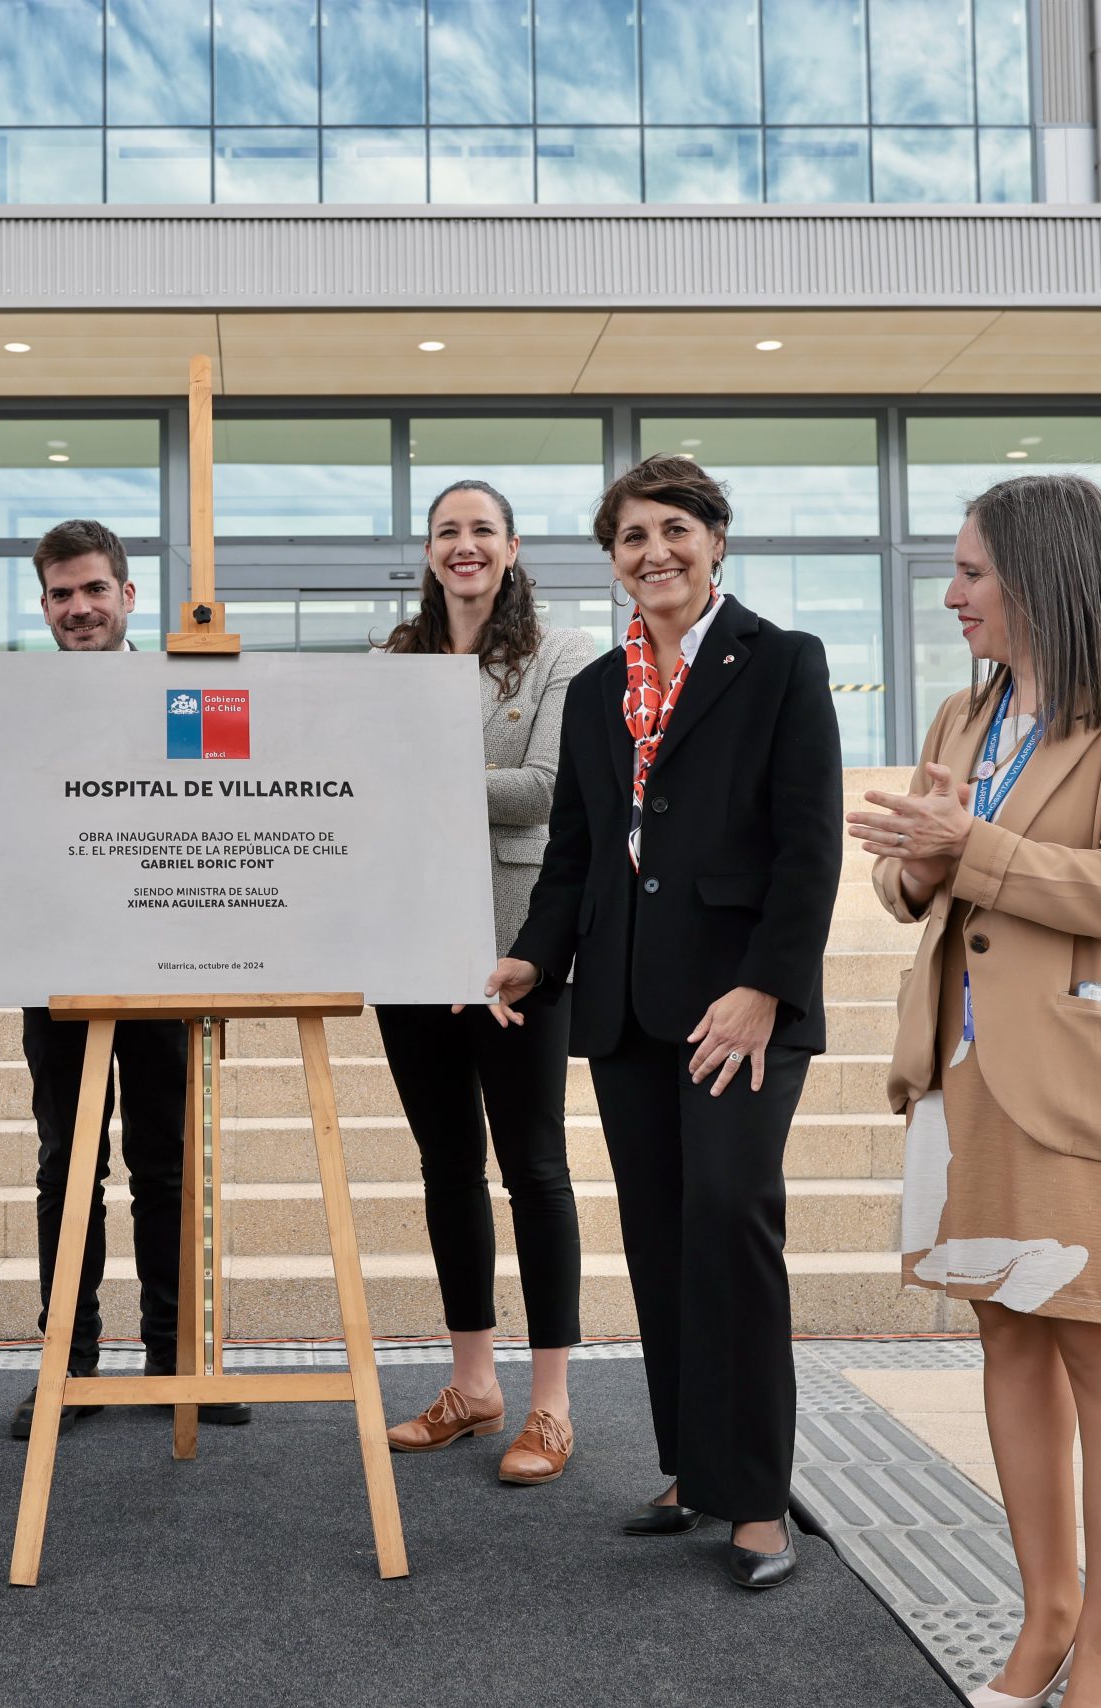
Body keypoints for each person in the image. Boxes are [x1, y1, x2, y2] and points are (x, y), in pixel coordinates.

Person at [847, 473, 1101, 1708]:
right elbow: (919, 896)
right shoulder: (960, 715)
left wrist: (968, 847)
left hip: (1082, 1078)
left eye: (970, 573)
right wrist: (906, 864)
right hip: (963, 1067)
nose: (951, 596)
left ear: (1042, 575)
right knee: (1004, 1328)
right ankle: (1044, 1610)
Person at [484, 454, 841, 1591]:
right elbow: (576, 859)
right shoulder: (596, 691)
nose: (656, 553)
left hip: (740, 1003)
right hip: (632, 1005)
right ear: (612, 560)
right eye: (632, 537)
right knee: (662, 1235)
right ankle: (691, 1465)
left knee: (731, 1224)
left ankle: (755, 1500)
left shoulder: (781, 663)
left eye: (675, 529)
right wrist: (533, 958)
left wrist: (767, 984)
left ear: (717, 539)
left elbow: (808, 845)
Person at [8, 519, 251, 1438]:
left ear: (127, 597)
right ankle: (67, 1362)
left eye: (94, 590)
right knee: (66, 1165)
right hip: (56, 964)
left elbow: (226, 819)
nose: (78, 608)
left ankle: (177, 1358)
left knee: (170, 1165)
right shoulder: (18, 707)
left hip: (169, 960)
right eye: (62, 595)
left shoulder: (188, 691)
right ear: (45, 606)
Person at [374, 479, 590, 1485]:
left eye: (481, 530)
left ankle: (548, 1404)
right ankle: (474, 1383)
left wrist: (415, 769)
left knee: (534, 1169)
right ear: (429, 551)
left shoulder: (558, 658)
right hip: (410, 942)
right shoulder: (393, 661)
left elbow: (545, 792)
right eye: (446, 531)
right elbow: (356, 783)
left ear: (509, 549)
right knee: (446, 1166)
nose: (464, 546)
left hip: (514, 946)